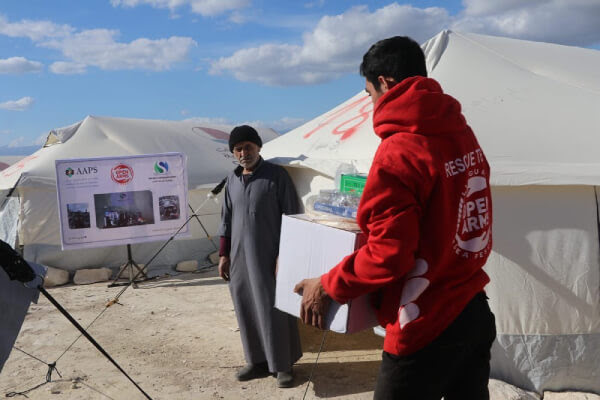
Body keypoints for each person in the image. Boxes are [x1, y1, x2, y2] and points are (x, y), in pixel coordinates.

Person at [294, 36, 496, 399]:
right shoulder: (461, 132)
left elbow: (390, 255)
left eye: (369, 94)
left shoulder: (399, 152)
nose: (371, 103)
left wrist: (328, 284)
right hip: (473, 308)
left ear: (385, 83)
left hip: (424, 323)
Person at [217, 125, 302, 389]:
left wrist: (284, 255)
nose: (244, 153)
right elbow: (226, 219)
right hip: (239, 257)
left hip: (270, 256)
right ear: (233, 152)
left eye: (249, 147)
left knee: (272, 307)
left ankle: (283, 365)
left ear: (259, 147)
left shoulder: (276, 176)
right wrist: (223, 254)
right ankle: (256, 361)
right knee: (245, 305)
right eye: (238, 149)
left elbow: (293, 216)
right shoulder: (231, 180)